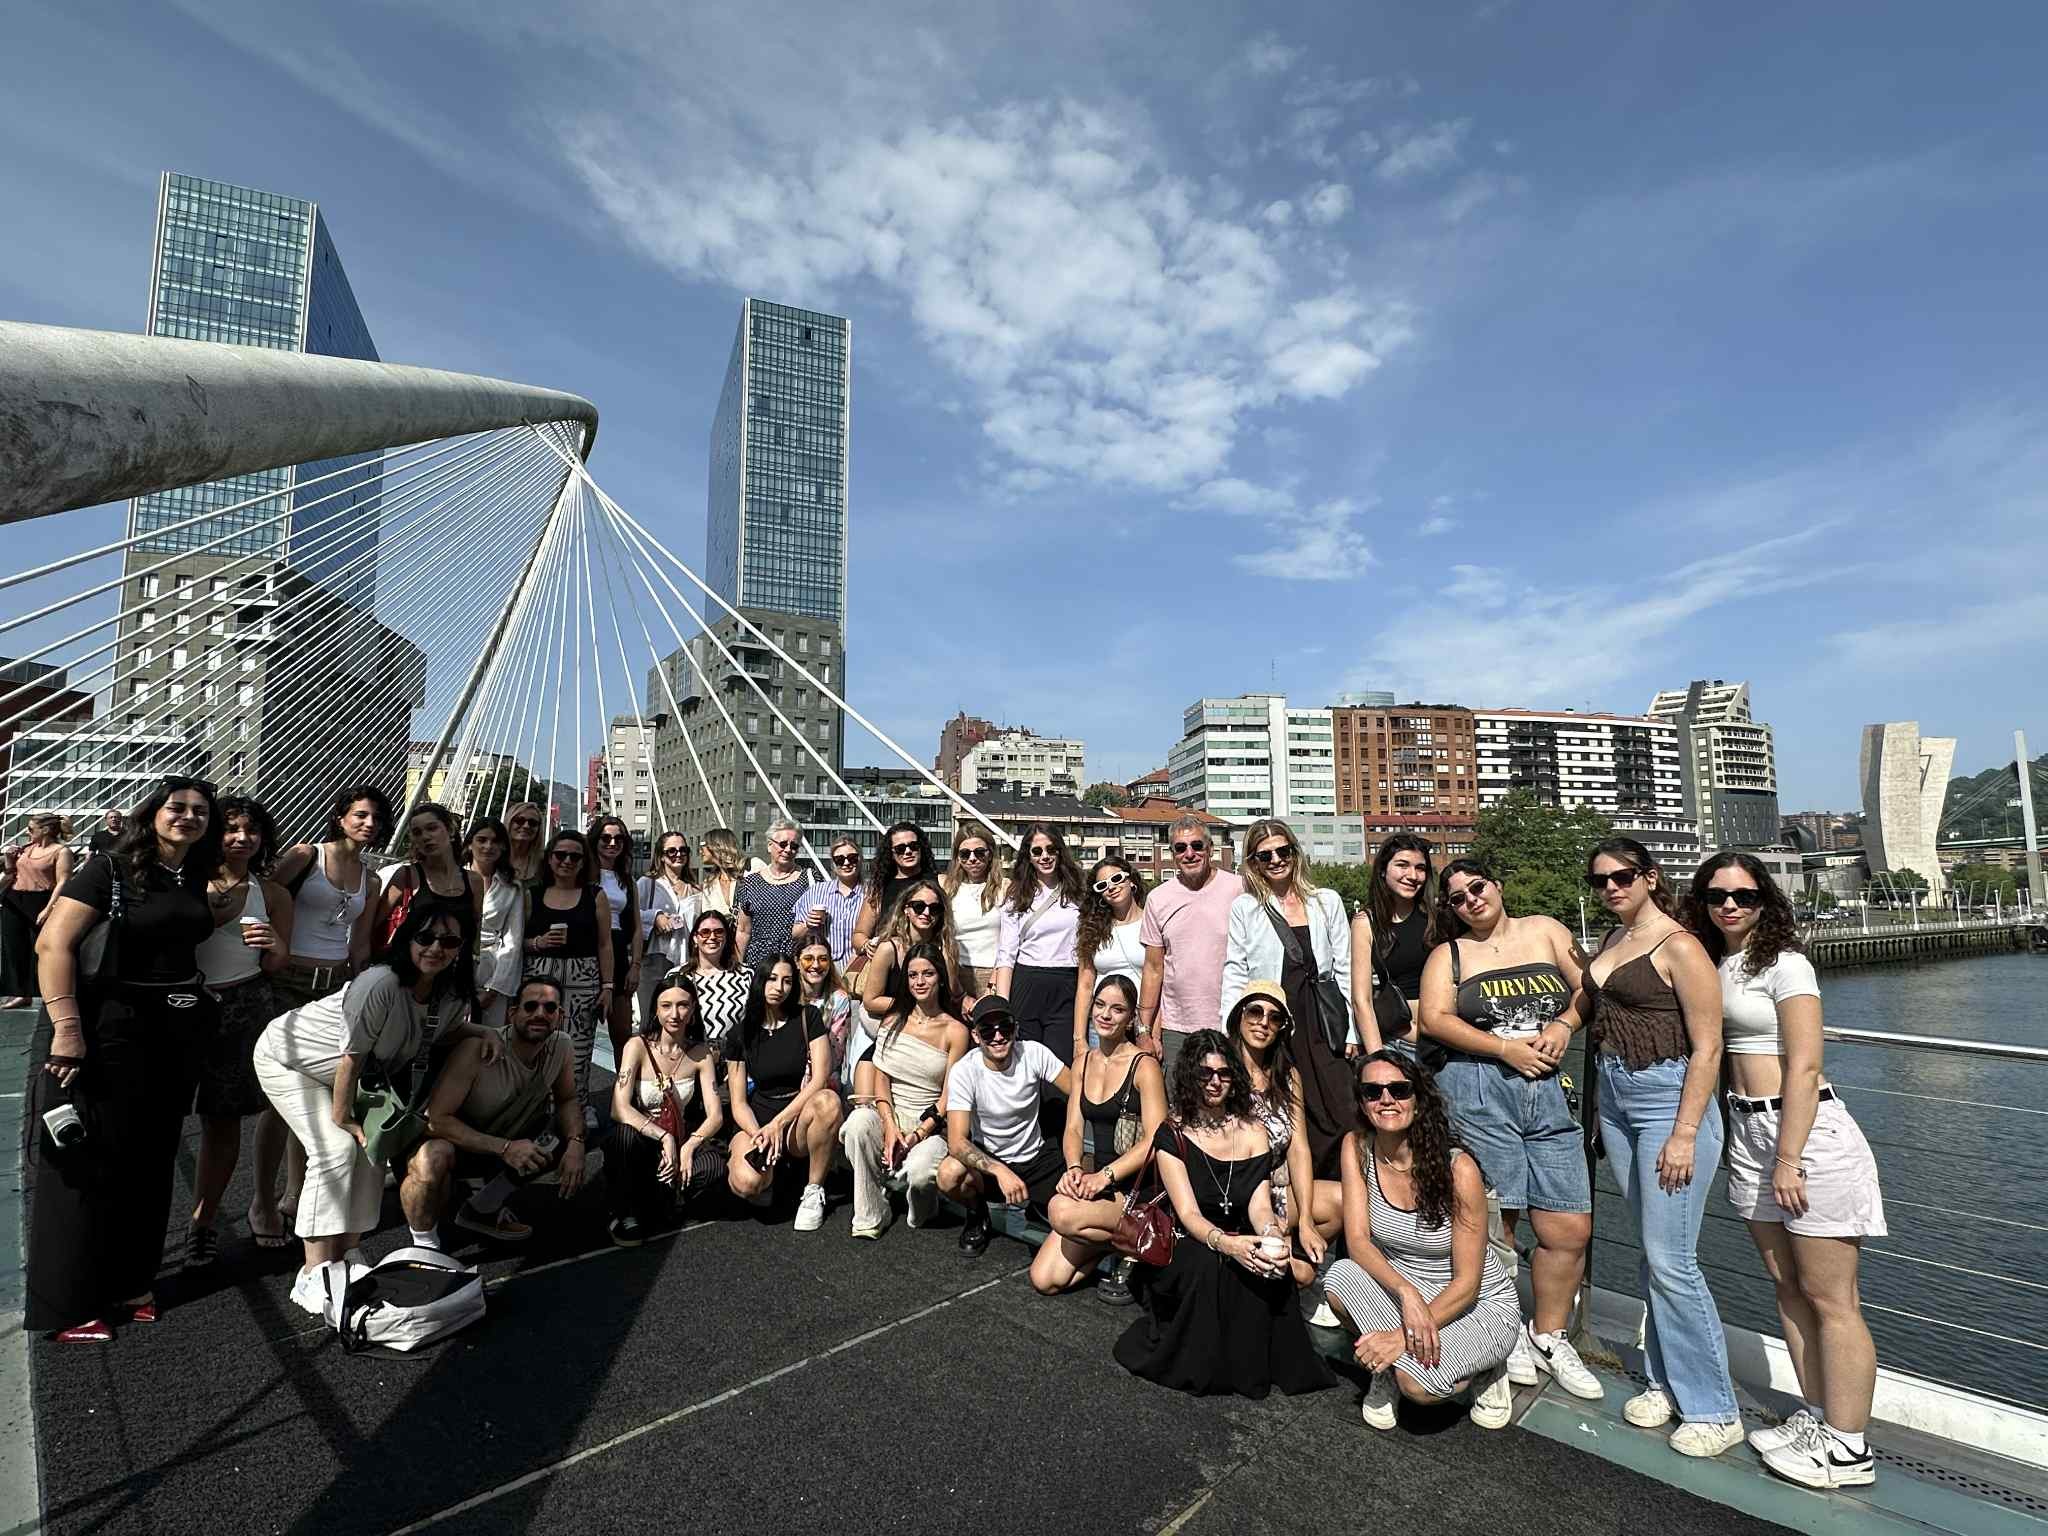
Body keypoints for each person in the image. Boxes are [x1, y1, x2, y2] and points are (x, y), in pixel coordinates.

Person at [1687, 852, 1885, 1488]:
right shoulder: (1716, 961)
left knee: (1833, 1298)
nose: (1730, 905)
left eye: (1744, 895)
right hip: (1746, 1128)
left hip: (1803, 1132)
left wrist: (1789, 1158)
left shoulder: (1786, 963)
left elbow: (1804, 1063)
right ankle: (1820, 1417)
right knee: (1788, 1286)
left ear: (1765, 900)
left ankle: (1849, 1450)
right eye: (1717, 895)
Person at [26, 777, 220, 1341]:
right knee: (86, 1159)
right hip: (106, 1028)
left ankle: (132, 1281)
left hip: (171, 1034)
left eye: (200, 810)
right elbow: (52, 944)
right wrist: (67, 1029)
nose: (188, 817)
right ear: (152, 813)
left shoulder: (192, 875)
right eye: (177, 807)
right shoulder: (107, 869)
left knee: (151, 1158)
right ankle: (69, 1304)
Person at [1418, 858, 1594, 1414]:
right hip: (1478, 1085)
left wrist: (1564, 1024)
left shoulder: (1546, 930)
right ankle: (1505, 1327)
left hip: (1548, 1087)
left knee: (1568, 1222)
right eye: (1457, 897)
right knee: (1500, 1219)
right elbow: (1434, 1019)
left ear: (1497, 885)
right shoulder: (1449, 955)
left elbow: (1588, 986)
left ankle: (1550, 1333)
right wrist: (1503, 1048)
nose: (1471, 899)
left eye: (1477, 887)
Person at [1583, 838, 1740, 1456]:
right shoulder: (1612, 939)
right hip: (1617, 1099)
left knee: (1673, 1260)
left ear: (1650, 877)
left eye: (1622, 876)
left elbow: (1708, 1046)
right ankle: (1665, 1383)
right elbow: (1594, 1007)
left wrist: (1684, 1133)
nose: (1611, 888)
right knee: (1652, 1253)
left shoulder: (1680, 945)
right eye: (1600, 881)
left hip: (1668, 1102)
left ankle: (1714, 1409)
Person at [254, 904, 486, 1315]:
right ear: (407, 938)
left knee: (371, 1152)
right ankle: (312, 1272)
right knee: (335, 1150)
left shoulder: (450, 992)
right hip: (288, 1060)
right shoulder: (380, 983)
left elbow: (441, 1031)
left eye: (449, 941)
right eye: (425, 937)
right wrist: (343, 1118)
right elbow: (352, 1058)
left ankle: (346, 1253)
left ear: (461, 948)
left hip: (344, 1075)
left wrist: (486, 1032)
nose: (436, 948)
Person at [1110, 1029, 1328, 1399]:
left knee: (1269, 1266)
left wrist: (1270, 1233)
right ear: (1190, 1076)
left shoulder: (1252, 1129)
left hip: (1237, 1227)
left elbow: (1259, 1204)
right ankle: (1209, 1363)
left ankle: (1251, 1362)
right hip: (1188, 1238)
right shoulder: (1173, 1132)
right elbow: (1188, 1213)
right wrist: (1228, 1245)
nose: (1215, 1081)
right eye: (1205, 1073)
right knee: (1212, 1265)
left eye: (1224, 1073)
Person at [1323, 1051, 1520, 1430]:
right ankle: (1388, 1364)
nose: (1386, 1099)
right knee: (1338, 1279)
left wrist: (1400, 1338)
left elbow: (1468, 1283)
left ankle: (1487, 1368)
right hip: (1408, 1290)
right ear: (1362, 1102)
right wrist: (1407, 1292)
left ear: (1418, 1098)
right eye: (1372, 1091)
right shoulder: (1357, 1147)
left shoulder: (1457, 1168)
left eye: (1399, 1090)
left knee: (1417, 1385)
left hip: (1475, 1304)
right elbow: (1358, 1241)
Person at [186, 795, 294, 1268]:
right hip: (179, 1007)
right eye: (231, 828)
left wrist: (274, 944)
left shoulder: (272, 894)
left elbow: (276, 963)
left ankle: (202, 1223)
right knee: (159, 1123)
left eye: (252, 830)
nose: (242, 838)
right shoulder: (186, 883)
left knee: (223, 1121)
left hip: (242, 1008)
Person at [400, 974, 587, 1246]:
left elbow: (567, 1099)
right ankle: (424, 1243)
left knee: (566, 1132)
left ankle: (482, 1208)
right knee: (433, 1158)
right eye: (530, 1006)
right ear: (512, 1013)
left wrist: (576, 1143)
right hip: (462, 1144)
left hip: (504, 1140)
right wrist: (505, 1148)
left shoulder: (562, 1045)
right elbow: (436, 1120)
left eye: (549, 1008)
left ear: (560, 1016)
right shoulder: (478, 1049)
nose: (539, 1014)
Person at [1222, 818, 1357, 1185]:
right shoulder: (1246, 908)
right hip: (1274, 1021)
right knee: (1290, 1112)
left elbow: (1344, 968)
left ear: (1295, 853)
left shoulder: (1326, 901)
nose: (1276, 860)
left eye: (1283, 851)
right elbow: (1235, 970)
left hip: (1322, 1018)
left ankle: (1343, 1192)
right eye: (1265, 855)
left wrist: (1352, 1030)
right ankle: (1301, 1197)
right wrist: (1229, 1032)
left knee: (1341, 1108)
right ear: (1253, 863)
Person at [1029, 975, 1166, 1302]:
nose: (1105, 1014)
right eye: (1100, 1005)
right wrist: (1074, 1168)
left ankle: (1134, 1246)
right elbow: (1074, 1128)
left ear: (1130, 1018)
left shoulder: (1144, 1066)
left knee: (1060, 1211)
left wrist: (1104, 1176)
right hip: (1100, 1188)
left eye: (1117, 1009)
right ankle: (1115, 1243)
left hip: (1135, 1191)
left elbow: (1157, 1139)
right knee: (1044, 1279)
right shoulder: (1083, 1062)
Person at [840, 940, 970, 1238]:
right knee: (859, 1123)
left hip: (931, 1123)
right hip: (890, 1113)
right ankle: (870, 1213)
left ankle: (925, 1203)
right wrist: (889, 1126)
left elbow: (949, 1097)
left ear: (940, 978)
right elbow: (882, 1078)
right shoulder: (893, 1019)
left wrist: (917, 1135)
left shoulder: (956, 1031)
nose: (920, 982)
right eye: (913, 975)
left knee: (920, 1175)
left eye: (928, 974)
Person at [1224, 981, 1337, 1312]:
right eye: (1255, 1012)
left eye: (1274, 1018)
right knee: (1298, 1274)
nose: (1263, 1023)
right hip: (1235, 1192)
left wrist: (1307, 1221)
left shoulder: (1287, 1076)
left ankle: (1283, 1250)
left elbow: (1299, 1148)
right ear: (1239, 1016)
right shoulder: (1222, 1071)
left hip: (1275, 1189)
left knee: (1340, 1201)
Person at [938, 994, 1075, 1256]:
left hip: (1036, 1158)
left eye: (1005, 1027)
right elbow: (956, 1142)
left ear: (1016, 1029)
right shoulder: (965, 1070)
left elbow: (1078, 1093)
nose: (998, 1036)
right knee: (948, 1174)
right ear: (975, 1036)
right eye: (987, 1031)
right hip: (991, 1163)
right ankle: (977, 1213)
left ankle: (1037, 1206)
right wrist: (1000, 1171)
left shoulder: (1033, 1053)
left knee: (1072, 1210)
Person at [724, 954, 842, 1231]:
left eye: (787, 981)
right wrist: (760, 1134)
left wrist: (779, 1124)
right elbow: (738, 1103)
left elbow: (820, 1078)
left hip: (796, 1116)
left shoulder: (807, 1017)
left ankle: (813, 1191)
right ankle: (769, 1176)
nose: (779, 987)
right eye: (772, 979)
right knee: (747, 1183)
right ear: (760, 982)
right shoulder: (740, 1033)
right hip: (757, 1118)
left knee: (829, 1101)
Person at [607, 973, 726, 1245]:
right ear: (656, 1010)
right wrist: (663, 1137)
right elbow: (618, 1108)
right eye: (666, 1006)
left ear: (693, 1010)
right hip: (644, 1139)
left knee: (713, 1167)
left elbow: (715, 1115)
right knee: (623, 1137)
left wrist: (689, 1146)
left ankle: (663, 1195)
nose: (675, 1014)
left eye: (683, 1005)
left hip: (682, 1136)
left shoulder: (701, 1053)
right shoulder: (637, 1046)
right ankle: (624, 1210)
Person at [1138, 812, 1244, 1073]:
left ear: (1210, 849)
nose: (1189, 854)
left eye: (1197, 846)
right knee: (1178, 1095)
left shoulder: (1239, 889)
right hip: (1177, 1027)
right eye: (1180, 848)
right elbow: (1153, 968)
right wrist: (1144, 1029)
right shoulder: (1158, 899)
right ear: (1172, 854)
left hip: (1231, 1021)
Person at [523, 829, 614, 1127]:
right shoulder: (532, 895)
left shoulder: (595, 896)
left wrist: (607, 986)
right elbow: (516, 941)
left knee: (579, 1049)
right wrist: (539, 942)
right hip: (539, 979)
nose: (567, 861)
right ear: (549, 858)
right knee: (536, 1044)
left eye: (575, 856)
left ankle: (578, 1106)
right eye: (560, 855)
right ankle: (536, 1108)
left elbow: (605, 944)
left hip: (583, 980)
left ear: (584, 861)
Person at [271, 785, 388, 1009]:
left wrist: (360, 985)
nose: (370, 823)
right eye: (361, 815)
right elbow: (262, 902)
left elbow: (360, 944)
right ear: (340, 819)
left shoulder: (372, 880)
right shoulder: (306, 856)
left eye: (377, 818)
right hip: (288, 977)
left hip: (337, 981)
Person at [990, 822, 1084, 1068]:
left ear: (1060, 851)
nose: (1045, 856)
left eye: (1051, 849)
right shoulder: (1017, 896)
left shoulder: (1078, 893)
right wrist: (1003, 1004)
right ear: (1028, 856)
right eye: (1037, 851)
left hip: (1066, 982)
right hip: (1027, 982)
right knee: (1025, 1064)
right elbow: (1006, 954)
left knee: (1060, 1065)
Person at [1349, 834, 1436, 1059]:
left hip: (1445, 1045)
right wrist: (1378, 1059)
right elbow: (1361, 1001)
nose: (1412, 876)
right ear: (1382, 870)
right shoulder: (1365, 922)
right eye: (1402, 865)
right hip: (1397, 1046)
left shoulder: (1438, 918)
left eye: (1420, 868)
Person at [375, 801, 485, 948]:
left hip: (458, 961)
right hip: (407, 960)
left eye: (432, 828)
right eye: (417, 833)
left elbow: (475, 928)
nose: (425, 837)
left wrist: (475, 956)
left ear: (450, 830)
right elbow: (374, 924)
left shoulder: (474, 881)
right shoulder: (406, 877)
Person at [1072, 855, 1149, 1060]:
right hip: (1103, 1022)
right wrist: (1079, 1039)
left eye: (1116, 879)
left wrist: (1152, 1031)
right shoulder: (1091, 928)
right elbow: (1085, 985)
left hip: (1142, 1022)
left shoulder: (1151, 921)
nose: (1111, 887)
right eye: (1102, 885)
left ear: (1131, 880)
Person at [589, 816, 646, 1093]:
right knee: (580, 1032)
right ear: (595, 840)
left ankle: (623, 1095)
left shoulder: (627, 880)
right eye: (606, 838)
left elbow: (636, 927)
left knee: (622, 1033)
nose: (612, 843)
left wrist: (636, 965)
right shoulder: (583, 874)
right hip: (587, 950)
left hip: (618, 952)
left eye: (619, 839)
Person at [859, 878, 961, 1026]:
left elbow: (949, 996)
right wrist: (914, 1005)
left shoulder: (945, 949)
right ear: (906, 909)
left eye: (934, 908)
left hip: (929, 1026)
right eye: (919, 906)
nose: (926, 912)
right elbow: (870, 1001)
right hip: (889, 1024)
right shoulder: (888, 949)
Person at [2, 813, 74, 1008]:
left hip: (41, 901)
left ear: (46, 830)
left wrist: (48, 909)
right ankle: (19, 993)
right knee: (13, 948)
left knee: (40, 951)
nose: (27, 832)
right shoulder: (27, 848)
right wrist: (9, 859)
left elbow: (63, 882)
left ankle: (45, 993)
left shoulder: (61, 851)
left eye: (31, 829)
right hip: (14, 900)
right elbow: (11, 873)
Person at [464, 816, 525, 1030]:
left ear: (503, 847)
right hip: (454, 965)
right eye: (482, 840)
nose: (488, 846)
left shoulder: (511, 887)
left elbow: (513, 940)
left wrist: (495, 988)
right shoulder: (454, 878)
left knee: (489, 1035)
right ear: (469, 844)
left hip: (493, 968)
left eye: (495, 841)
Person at [636, 831, 701, 1026]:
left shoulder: (695, 889)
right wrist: (655, 917)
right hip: (655, 959)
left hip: (686, 962)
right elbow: (631, 915)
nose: (678, 854)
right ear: (661, 856)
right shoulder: (648, 884)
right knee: (651, 1020)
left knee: (681, 1020)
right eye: (672, 851)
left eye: (683, 850)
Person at [853, 821, 938, 960]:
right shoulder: (880, 888)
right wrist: (867, 945)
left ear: (921, 848)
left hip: (929, 960)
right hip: (892, 962)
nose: (908, 851)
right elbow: (859, 934)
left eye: (913, 846)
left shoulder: (940, 882)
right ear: (891, 853)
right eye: (900, 848)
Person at [734, 819, 812, 970]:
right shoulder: (750, 883)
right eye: (783, 844)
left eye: (794, 846)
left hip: (797, 962)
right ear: (770, 845)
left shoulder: (809, 880)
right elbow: (743, 931)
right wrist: (738, 967)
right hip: (758, 964)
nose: (788, 850)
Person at [942, 822, 1006, 999]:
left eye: (979, 852)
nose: (972, 859)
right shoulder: (946, 887)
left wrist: (994, 981)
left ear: (990, 854)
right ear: (957, 857)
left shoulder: (1005, 888)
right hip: (955, 974)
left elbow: (1011, 941)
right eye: (965, 854)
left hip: (994, 975)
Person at [681, 908, 752, 1057]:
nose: (712, 937)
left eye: (719, 932)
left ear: (726, 937)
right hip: (690, 1058)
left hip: (736, 1059)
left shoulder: (746, 975)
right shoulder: (679, 975)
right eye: (705, 932)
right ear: (695, 938)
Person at [797, 835, 867, 969]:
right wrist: (807, 924)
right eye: (839, 860)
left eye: (852, 858)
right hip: (823, 969)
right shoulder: (816, 892)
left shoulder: (871, 895)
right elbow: (793, 933)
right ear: (833, 864)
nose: (846, 863)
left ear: (860, 860)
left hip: (859, 968)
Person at [796, 937, 857, 1088]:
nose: (816, 965)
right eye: (808, 959)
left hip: (822, 1077)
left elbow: (836, 1055)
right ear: (797, 962)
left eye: (823, 959)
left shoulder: (839, 999)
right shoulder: (787, 995)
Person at [697, 828, 743, 917]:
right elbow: (709, 917)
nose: (700, 851)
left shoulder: (751, 867)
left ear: (716, 845)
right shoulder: (709, 884)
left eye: (703, 845)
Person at [503, 801, 548, 884]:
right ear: (509, 822)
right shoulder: (494, 857)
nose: (526, 826)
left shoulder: (545, 863)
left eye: (532, 823)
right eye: (520, 820)